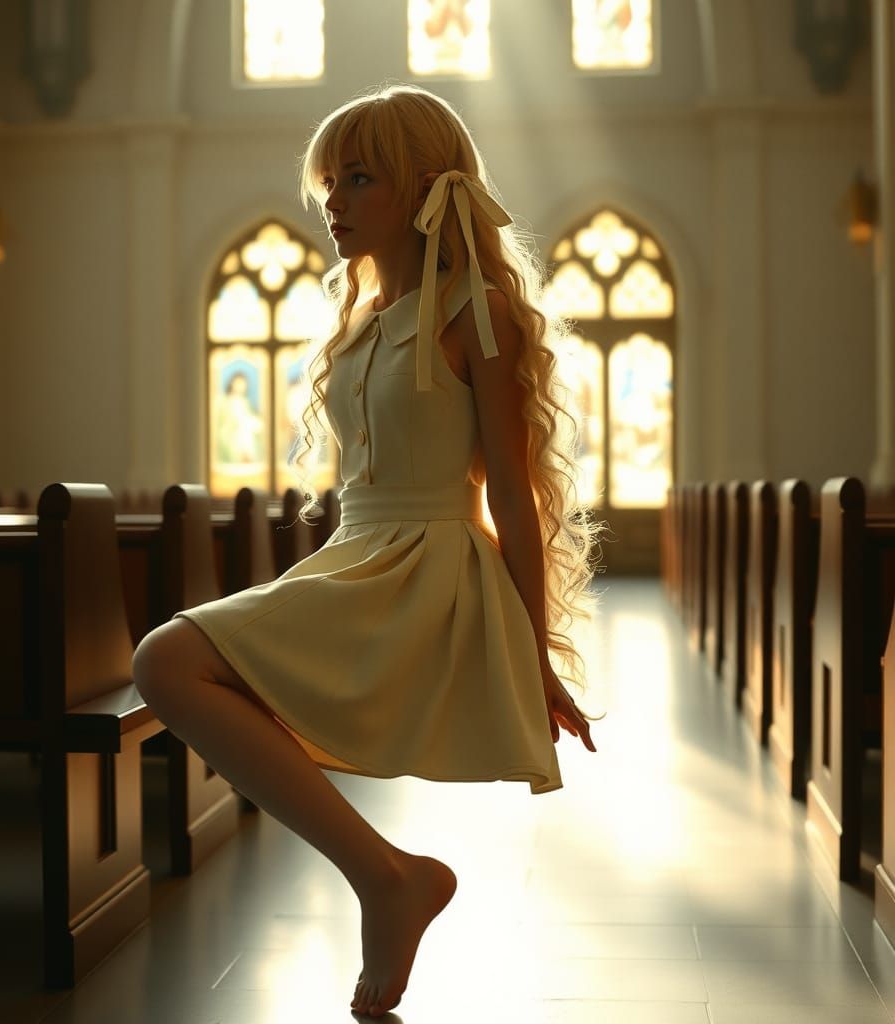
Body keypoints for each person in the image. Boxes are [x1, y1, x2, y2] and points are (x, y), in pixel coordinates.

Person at [132, 82, 605, 1019]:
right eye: (328, 184)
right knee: (171, 665)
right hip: (356, 553)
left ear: (426, 187)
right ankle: (388, 877)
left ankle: (385, 881)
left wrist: (535, 647)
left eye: (358, 180)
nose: (334, 204)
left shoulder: (477, 311)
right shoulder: (357, 319)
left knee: (165, 659)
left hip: (422, 566)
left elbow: (512, 488)